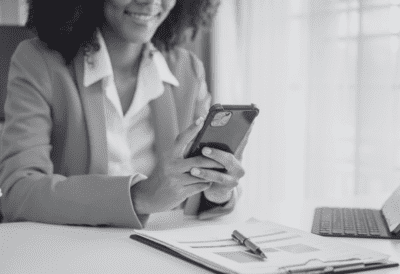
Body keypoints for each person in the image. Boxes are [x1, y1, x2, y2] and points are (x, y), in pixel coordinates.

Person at [0, 0, 248, 228]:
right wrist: (139, 196)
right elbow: (19, 191)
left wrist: (216, 192)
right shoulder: (37, 61)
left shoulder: (188, 69)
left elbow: (191, 200)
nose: (151, 2)